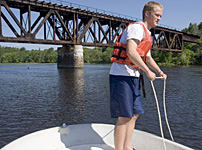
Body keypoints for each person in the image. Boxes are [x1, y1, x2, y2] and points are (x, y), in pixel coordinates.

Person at [109, 1, 167, 150]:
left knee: (134, 114)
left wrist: (159, 71)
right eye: (157, 15)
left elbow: (147, 57)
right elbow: (131, 52)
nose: (159, 18)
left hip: (133, 77)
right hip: (122, 76)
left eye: (160, 16)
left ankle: (127, 147)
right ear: (147, 14)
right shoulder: (136, 28)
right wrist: (147, 71)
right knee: (125, 116)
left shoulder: (147, 34)